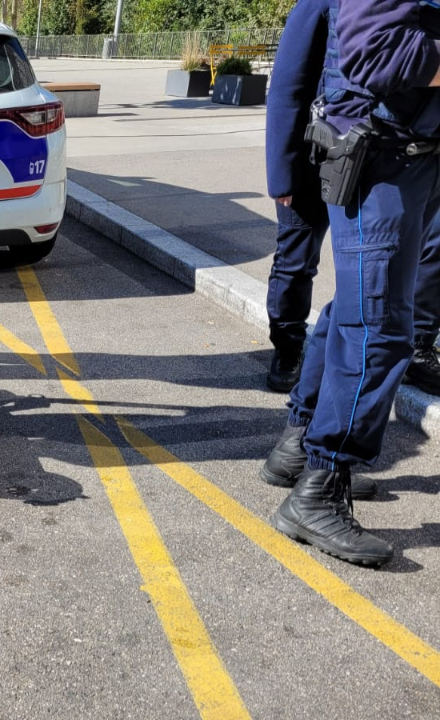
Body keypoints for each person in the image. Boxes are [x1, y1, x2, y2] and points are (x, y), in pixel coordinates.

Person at [264, 0, 440, 567]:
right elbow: (377, 52)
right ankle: (320, 488)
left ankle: (299, 443)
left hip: (404, 156)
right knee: (379, 329)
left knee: (354, 311)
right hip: (379, 155)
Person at [263, 0, 440, 395]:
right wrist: (282, 174)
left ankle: (415, 344)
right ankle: (288, 347)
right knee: (296, 261)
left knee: (369, 274)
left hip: (373, 156)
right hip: (314, 155)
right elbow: (289, 86)